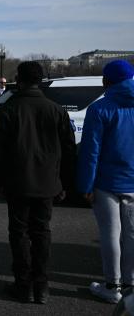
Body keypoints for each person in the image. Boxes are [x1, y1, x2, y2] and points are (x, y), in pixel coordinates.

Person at [0, 61, 76, 304]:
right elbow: (69, 151)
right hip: (48, 181)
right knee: (41, 231)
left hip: (17, 181)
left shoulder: (10, 109)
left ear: (20, 79)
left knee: (19, 233)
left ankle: (24, 284)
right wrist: (66, 182)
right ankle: (42, 284)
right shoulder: (56, 109)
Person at [77, 60, 134, 304]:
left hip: (106, 181)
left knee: (111, 234)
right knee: (132, 236)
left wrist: (85, 186)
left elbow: (91, 152)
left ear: (106, 81)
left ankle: (113, 286)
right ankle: (131, 284)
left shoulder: (100, 108)